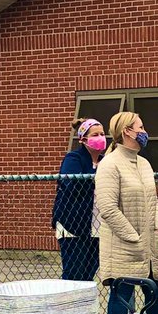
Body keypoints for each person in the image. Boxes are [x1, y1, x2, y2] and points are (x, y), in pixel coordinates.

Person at [96, 111, 158, 314]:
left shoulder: (144, 164)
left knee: (155, 294)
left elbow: (153, 200)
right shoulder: (110, 164)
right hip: (122, 247)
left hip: (150, 246)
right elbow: (107, 208)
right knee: (122, 298)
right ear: (127, 131)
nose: (144, 132)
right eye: (140, 127)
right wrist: (133, 237)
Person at [52, 118, 106, 281]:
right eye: (95, 134)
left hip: (97, 226)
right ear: (83, 139)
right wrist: (97, 177)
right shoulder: (73, 159)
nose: (101, 137)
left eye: (102, 134)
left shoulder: (105, 161)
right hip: (73, 226)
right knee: (74, 274)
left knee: (89, 274)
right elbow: (73, 185)